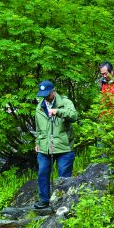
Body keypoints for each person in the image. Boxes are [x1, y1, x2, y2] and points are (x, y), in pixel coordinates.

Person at [33, 80, 77, 210]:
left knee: (63, 176)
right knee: (42, 172)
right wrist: (37, 142)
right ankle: (44, 200)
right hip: (45, 147)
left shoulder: (65, 102)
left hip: (64, 147)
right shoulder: (39, 107)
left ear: (54, 91)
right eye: (43, 95)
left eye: (48, 94)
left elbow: (74, 116)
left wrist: (58, 111)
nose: (45, 97)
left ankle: (63, 202)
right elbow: (38, 128)